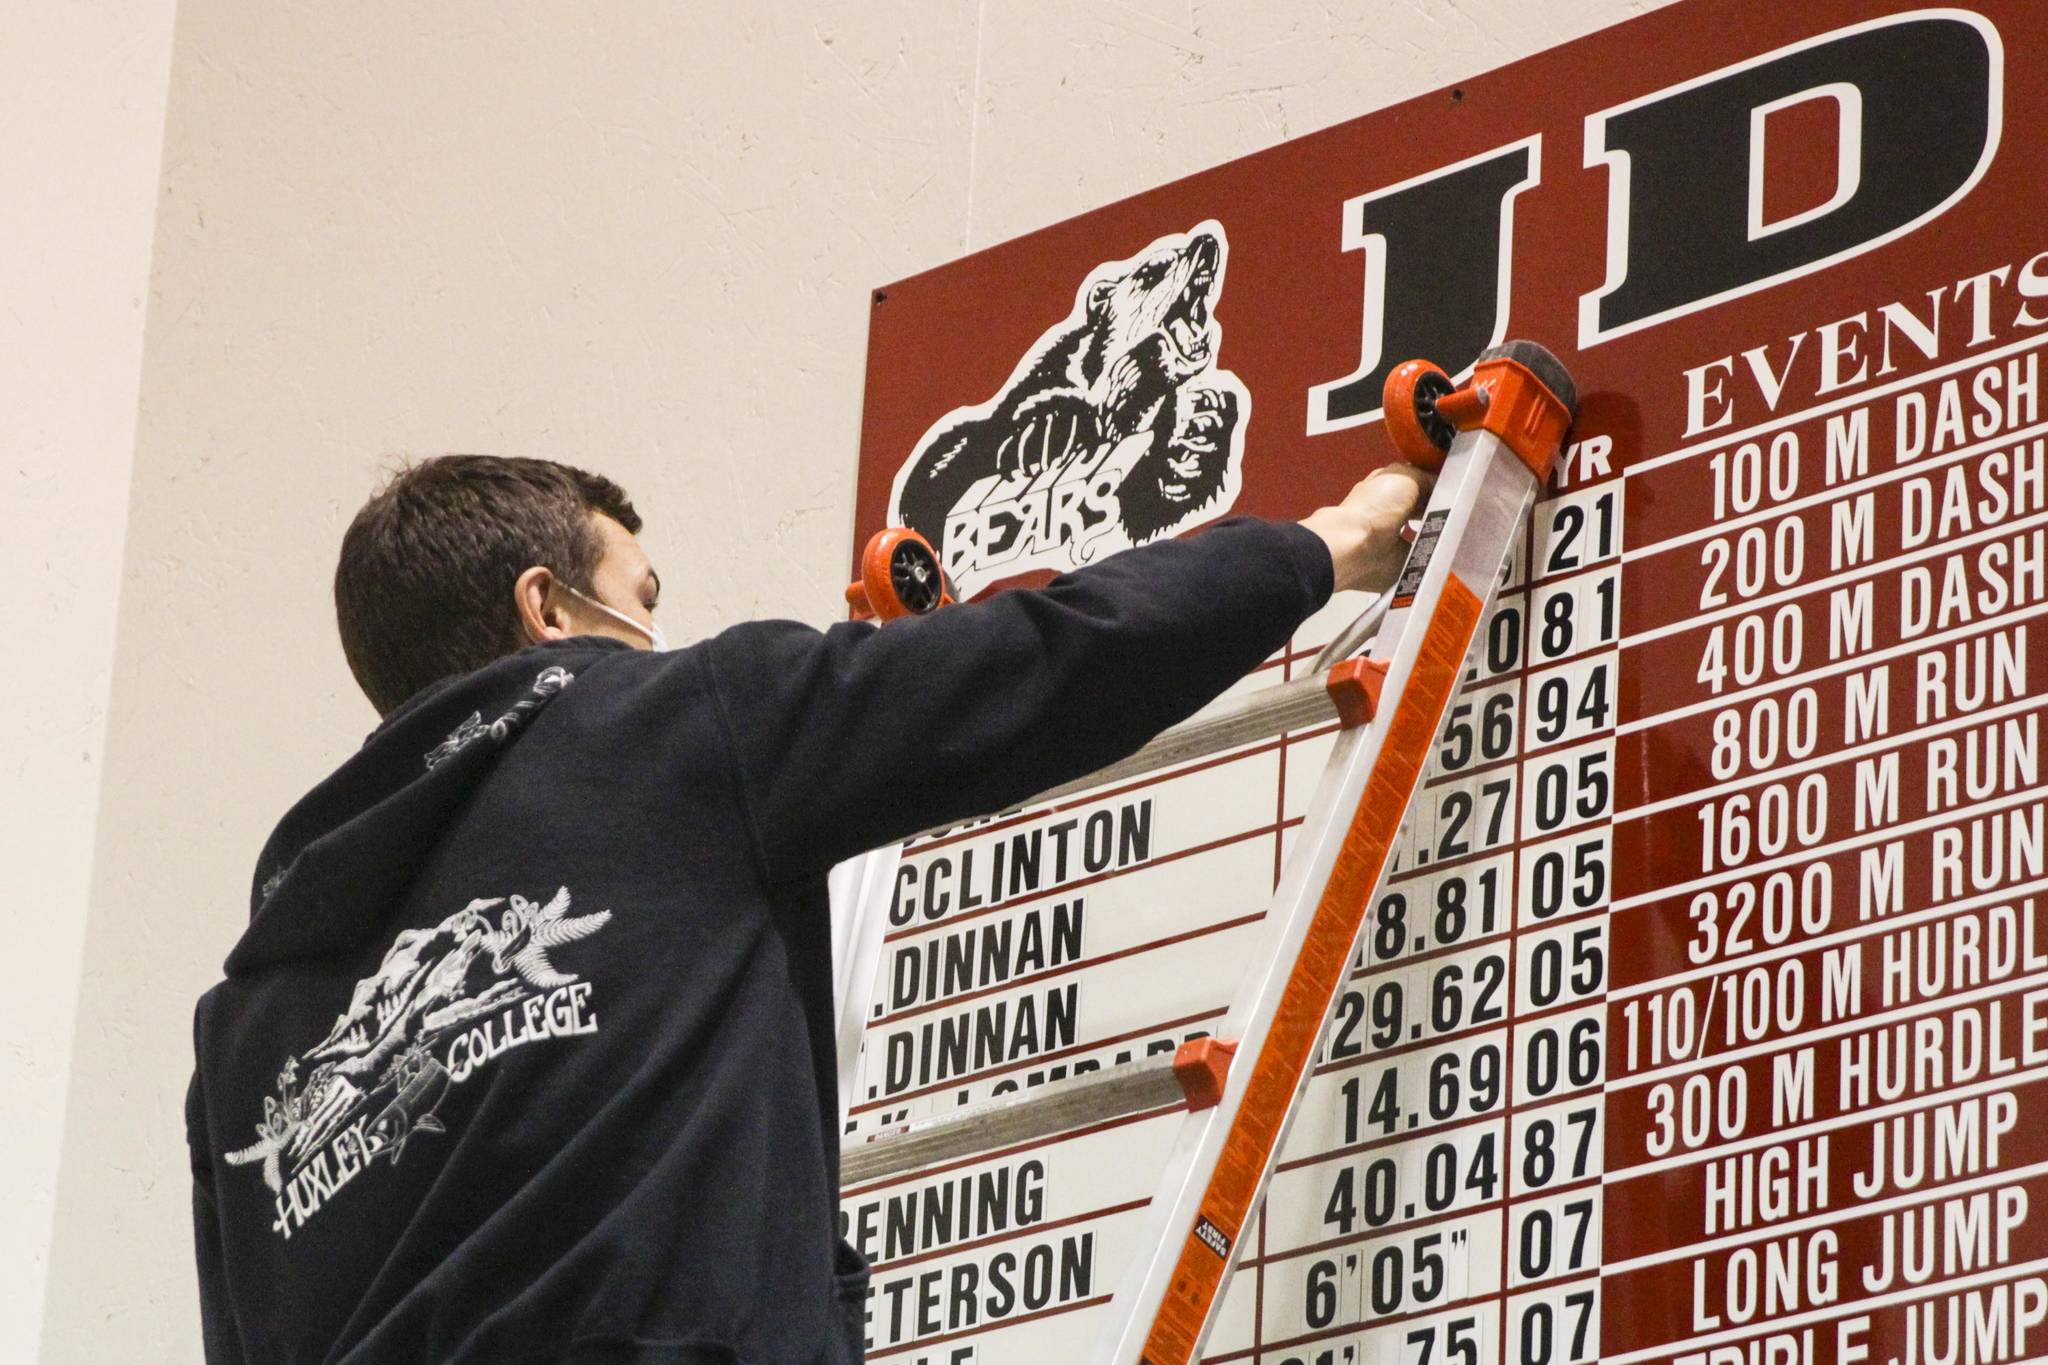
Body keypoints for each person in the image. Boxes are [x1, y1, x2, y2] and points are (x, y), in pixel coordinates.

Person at [185, 452, 1431, 1364]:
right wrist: (1322, 545)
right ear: (547, 609)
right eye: (642, 594)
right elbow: (1050, 660)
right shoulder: (665, 728)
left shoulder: (242, 1029)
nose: (657, 632)